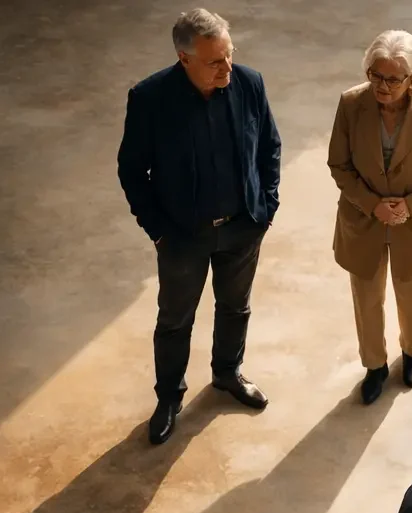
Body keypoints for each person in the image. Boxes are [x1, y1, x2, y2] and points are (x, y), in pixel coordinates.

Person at [118, 8, 280, 445]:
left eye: (229, 55)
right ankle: (169, 397)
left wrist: (266, 206)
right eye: (215, 61)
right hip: (182, 236)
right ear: (184, 58)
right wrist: (158, 230)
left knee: (235, 306)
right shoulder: (150, 98)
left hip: (243, 226)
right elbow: (132, 170)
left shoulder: (249, 83)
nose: (227, 67)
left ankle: (227, 373)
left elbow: (269, 145)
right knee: (175, 320)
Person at [328, 30, 412, 405]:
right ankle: (374, 366)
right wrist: (372, 203)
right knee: (366, 300)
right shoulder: (351, 104)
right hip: (362, 222)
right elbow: (339, 165)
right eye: (375, 75)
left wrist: (410, 205)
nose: (382, 86)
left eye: (392, 79)